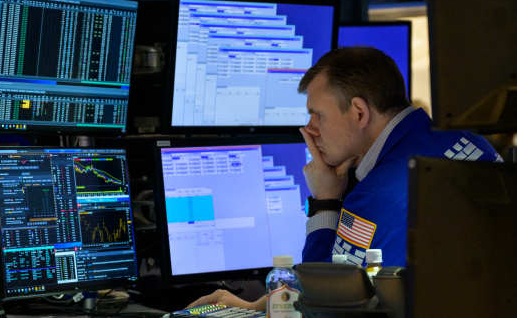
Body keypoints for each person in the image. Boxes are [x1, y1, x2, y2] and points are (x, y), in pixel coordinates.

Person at [186, 47, 502, 310]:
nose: (309, 130)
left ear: (359, 113)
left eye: (317, 115)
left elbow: (324, 305)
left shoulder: (377, 194)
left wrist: (325, 202)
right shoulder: (469, 141)